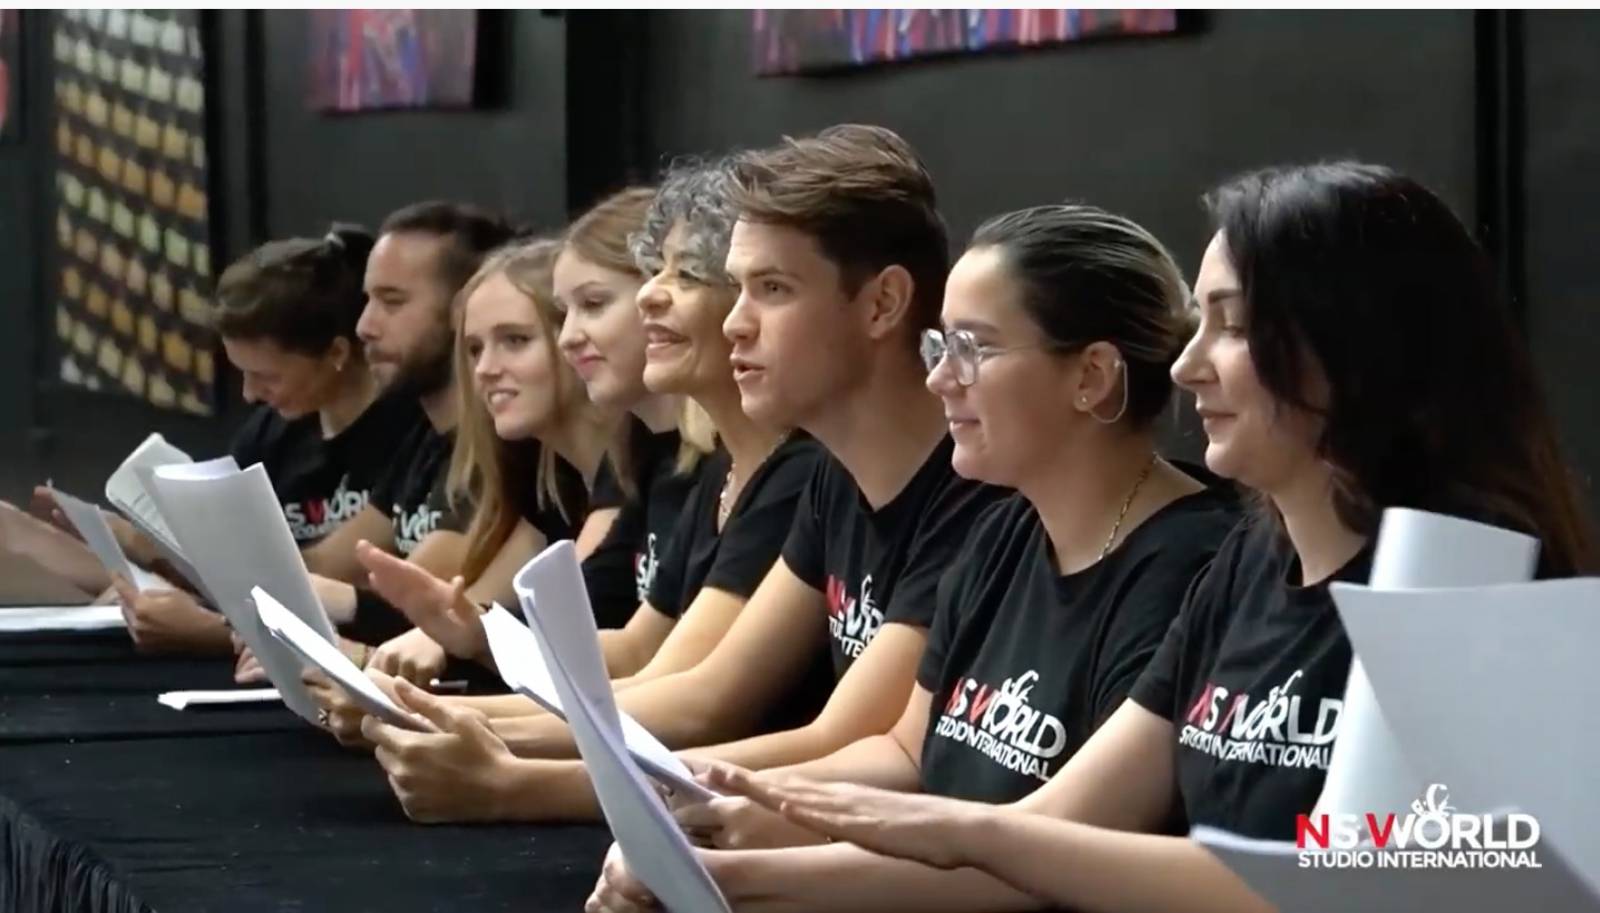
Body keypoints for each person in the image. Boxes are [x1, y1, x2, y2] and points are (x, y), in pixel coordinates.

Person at [588, 162, 1599, 913]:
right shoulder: (1252, 557)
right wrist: (750, 857)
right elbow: (1064, 819)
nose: (1188, 365)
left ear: (1354, 344)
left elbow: (1335, 888)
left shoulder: (1468, 577)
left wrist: (878, 837)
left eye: (1232, 325)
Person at [360, 125, 1005, 823]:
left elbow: (819, 737)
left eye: (772, 289)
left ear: (882, 304)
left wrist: (514, 779)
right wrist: (462, 727)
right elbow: (709, 685)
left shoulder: (971, 495)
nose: (736, 323)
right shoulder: (836, 480)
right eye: (737, 288)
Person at [662, 204, 1241, 857]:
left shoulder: (1191, 567)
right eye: (941, 346)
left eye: (973, 348)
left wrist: (774, 857)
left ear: (1091, 375)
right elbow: (907, 752)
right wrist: (719, 789)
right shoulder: (1003, 531)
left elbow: (1050, 851)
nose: (939, 378)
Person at [3, 225, 423, 655]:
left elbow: (316, 575)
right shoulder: (271, 433)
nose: (250, 394)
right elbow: (231, 569)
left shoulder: (409, 436)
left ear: (336, 353)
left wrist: (141, 542)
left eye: (266, 376)